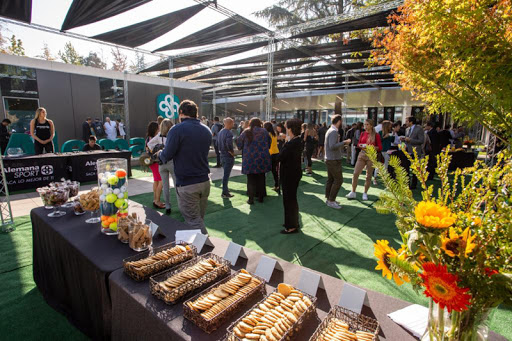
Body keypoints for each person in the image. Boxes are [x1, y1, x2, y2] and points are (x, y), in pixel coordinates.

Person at [159, 100, 212, 230]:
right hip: (204, 181)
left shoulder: (177, 130)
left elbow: (166, 155)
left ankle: (206, 248)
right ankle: (199, 246)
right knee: (198, 219)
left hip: (187, 184)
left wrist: (159, 154)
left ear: (181, 113)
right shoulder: (206, 130)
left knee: (194, 222)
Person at [236, 118, 271, 205]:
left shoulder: (246, 131)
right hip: (262, 159)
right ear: (260, 123)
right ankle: (260, 197)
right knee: (261, 178)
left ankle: (251, 199)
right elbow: (269, 144)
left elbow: (239, 144)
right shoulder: (264, 131)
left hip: (249, 159)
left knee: (250, 179)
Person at [347, 119, 383, 201]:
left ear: (371, 125)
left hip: (371, 155)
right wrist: (361, 145)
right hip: (362, 154)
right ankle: (353, 192)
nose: (365, 126)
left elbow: (380, 147)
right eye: (364, 124)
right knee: (355, 173)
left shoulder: (376, 135)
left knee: (368, 175)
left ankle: (365, 193)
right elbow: (359, 143)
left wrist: (371, 147)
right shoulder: (363, 133)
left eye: (367, 124)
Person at [278, 119, 303, 234]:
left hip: (290, 174)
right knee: (291, 199)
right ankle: (292, 222)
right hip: (293, 173)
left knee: (289, 200)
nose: (285, 129)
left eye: (286, 127)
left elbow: (281, 157)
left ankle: (291, 225)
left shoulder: (292, 143)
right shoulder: (297, 141)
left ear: (290, 129)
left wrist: (285, 143)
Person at [324, 115, 351, 209]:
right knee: (338, 180)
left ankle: (329, 199)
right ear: (339, 121)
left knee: (331, 180)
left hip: (330, 158)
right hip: (333, 159)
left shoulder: (331, 130)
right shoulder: (333, 131)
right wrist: (345, 142)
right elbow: (332, 146)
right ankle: (331, 200)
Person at [401, 116, 425, 189]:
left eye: (407, 121)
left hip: (415, 151)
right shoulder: (407, 129)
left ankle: (414, 184)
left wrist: (410, 140)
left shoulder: (419, 129)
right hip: (408, 151)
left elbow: (421, 140)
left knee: (415, 169)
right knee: (406, 167)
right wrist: (404, 139)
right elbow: (407, 139)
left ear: (411, 122)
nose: (406, 123)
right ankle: (407, 183)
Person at [146, 121, 165, 209]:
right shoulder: (155, 138)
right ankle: (157, 201)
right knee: (161, 181)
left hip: (151, 162)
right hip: (156, 162)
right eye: (158, 128)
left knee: (156, 181)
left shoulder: (148, 138)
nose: (159, 129)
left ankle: (155, 199)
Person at [158, 119, 175, 215]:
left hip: (161, 163)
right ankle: (181, 206)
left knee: (165, 186)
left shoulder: (159, 136)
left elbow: (149, 144)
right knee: (177, 185)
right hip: (171, 162)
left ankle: (167, 205)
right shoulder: (173, 136)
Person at [218, 118, 235, 198]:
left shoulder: (221, 132)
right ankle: (225, 192)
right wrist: (232, 152)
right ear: (229, 123)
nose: (233, 125)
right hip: (228, 156)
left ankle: (225, 189)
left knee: (225, 173)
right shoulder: (229, 133)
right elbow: (229, 145)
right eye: (232, 123)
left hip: (222, 155)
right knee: (226, 175)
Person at [264, 121, 280, 192]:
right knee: (275, 171)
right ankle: (277, 185)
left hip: (270, 154)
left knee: (265, 171)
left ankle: (262, 186)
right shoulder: (274, 133)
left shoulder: (267, 134)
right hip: (276, 153)